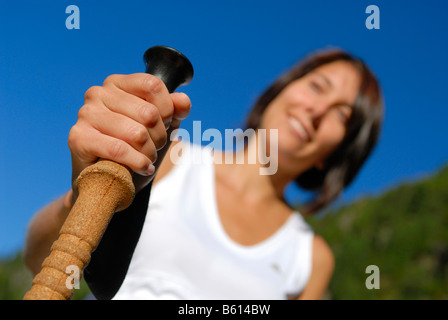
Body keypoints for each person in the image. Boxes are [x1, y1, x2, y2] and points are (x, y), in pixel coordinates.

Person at [23, 47, 383, 300]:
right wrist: (89, 193)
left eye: (343, 116)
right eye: (317, 87)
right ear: (279, 92)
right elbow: (36, 257)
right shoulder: (167, 159)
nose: (318, 109)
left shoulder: (310, 256)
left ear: (336, 155)